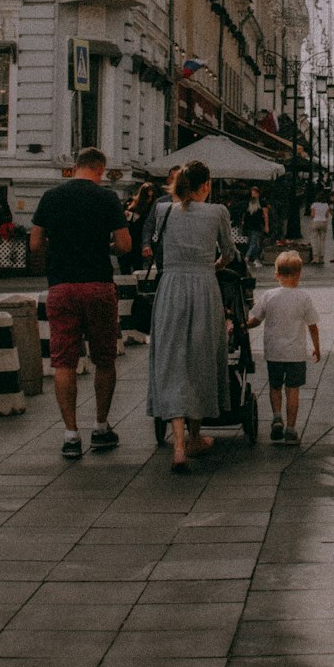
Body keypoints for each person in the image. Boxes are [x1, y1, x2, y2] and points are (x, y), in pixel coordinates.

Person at [30, 146, 131, 459]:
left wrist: (59, 250)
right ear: (100, 170)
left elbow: (34, 244)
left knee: (64, 361)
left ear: (75, 167)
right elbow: (125, 245)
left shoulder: (50, 197)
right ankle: (101, 428)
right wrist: (105, 249)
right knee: (105, 358)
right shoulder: (107, 198)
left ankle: (71, 435)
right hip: (98, 285)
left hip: (61, 286)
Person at [147, 160, 234, 472]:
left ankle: (179, 446)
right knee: (200, 357)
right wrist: (212, 267)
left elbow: (159, 249)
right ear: (206, 185)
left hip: (170, 287)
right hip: (203, 288)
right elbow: (228, 253)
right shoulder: (217, 212)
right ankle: (195, 435)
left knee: (172, 358)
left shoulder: (163, 211)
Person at [247, 249, 320, 444]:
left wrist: (240, 325)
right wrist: (317, 348)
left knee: (275, 386)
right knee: (293, 390)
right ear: (299, 274)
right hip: (296, 353)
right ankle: (290, 428)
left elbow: (255, 319)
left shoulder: (269, 295)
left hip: (274, 352)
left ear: (276, 274)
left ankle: (277, 416)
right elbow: (312, 325)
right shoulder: (303, 297)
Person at [121, 181, 155, 272]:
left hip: (138, 240)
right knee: (127, 268)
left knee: (138, 267)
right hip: (131, 238)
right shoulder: (131, 203)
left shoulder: (151, 207)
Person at [240, 187, 270, 269]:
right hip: (248, 225)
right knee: (251, 243)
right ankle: (254, 259)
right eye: (252, 193)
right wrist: (243, 222)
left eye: (254, 193)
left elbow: (265, 215)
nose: (253, 195)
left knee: (253, 243)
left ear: (258, 194)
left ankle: (246, 258)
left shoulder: (262, 203)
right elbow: (244, 214)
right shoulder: (249, 202)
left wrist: (266, 226)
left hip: (257, 225)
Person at [309, 190, 330, 265]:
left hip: (315, 222)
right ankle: (321, 258)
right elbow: (327, 215)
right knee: (322, 241)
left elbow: (312, 215)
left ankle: (315, 258)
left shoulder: (314, 204)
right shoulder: (326, 205)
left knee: (314, 240)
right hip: (323, 222)